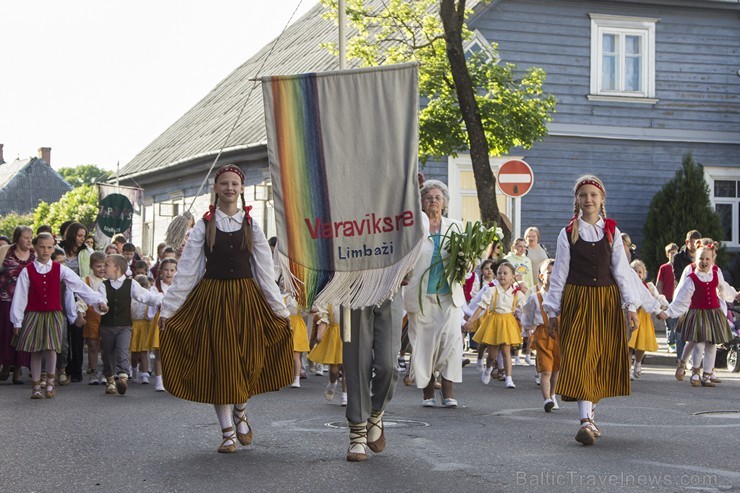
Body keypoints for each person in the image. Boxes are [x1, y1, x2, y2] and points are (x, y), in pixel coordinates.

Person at [158, 164, 293, 454]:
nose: (229, 188)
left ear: (242, 189)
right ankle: (227, 431)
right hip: (214, 299)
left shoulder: (251, 226)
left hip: (246, 299)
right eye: (224, 183)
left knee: (247, 359)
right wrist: (168, 310)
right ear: (216, 189)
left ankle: (241, 411)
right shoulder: (203, 228)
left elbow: (264, 272)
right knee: (221, 365)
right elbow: (188, 272)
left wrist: (279, 311)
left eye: (234, 183)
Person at [543, 175, 639, 446]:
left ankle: (591, 417)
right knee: (582, 356)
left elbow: (621, 270)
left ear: (602, 200)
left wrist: (630, 306)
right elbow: (559, 273)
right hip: (577, 299)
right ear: (576, 199)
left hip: (606, 300)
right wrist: (552, 310)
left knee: (598, 358)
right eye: (583, 195)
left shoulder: (612, 231)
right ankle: (585, 420)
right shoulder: (568, 232)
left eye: (593, 195)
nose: (588, 199)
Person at [10, 233, 106, 399]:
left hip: (54, 314)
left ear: (53, 248)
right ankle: (36, 386)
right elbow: (20, 296)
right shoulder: (28, 271)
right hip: (34, 314)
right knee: (36, 350)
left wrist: (98, 300)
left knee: (52, 348)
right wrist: (17, 320)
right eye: (41, 247)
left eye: (49, 247)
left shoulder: (60, 269)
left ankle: (50, 384)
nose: (45, 250)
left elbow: (79, 285)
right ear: (35, 248)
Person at [403, 180, 464, 408]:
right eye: (429, 198)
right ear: (422, 202)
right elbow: (404, 256)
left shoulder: (456, 227)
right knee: (423, 344)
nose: (433, 201)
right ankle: (428, 393)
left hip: (449, 295)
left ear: (445, 202)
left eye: (438, 197)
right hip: (421, 295)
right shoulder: (414, 228)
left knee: (451, 341)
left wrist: (465, 263)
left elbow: (468, 257)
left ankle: (448, 391)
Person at [658, 243, 739, 387]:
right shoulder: (692, 278)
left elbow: (724, 288)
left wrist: (734, 295)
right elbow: (681, 299)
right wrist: (668, 312)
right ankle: (695, 371)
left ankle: (707, 374)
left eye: (707, 259)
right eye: (701, 259)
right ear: (695, 260)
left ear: (712, 260)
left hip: (713, 314)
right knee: (699, 343)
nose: (704, 262)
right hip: (698, 314)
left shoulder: (715, 274)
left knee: (712, 344)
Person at [97, 254, 162, 395]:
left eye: (106, 265)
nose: (103, 268)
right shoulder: (103, 284)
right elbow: (101, 298)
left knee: (122, 350)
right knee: (107, 353)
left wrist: (160, 300)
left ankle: (122, 376)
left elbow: (144, 296)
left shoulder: (130, 284)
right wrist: (102, 304)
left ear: (117, 268)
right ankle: (109, 379)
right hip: (107, 325)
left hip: (124, 326)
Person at [465, 261, 525, 389]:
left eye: (505, 273)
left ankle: (509, 378)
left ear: (512, 277)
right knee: (492, 354)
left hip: (508, 322)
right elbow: (481, 306)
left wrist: (527, 324)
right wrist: (471, 320)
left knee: (506, 350)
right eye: (499, 273)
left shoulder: (516, 293)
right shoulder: (492, 290)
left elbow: (523, 309)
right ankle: (488, 369)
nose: (502, 275)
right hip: (494, 320)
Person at [521, 259, 560, 412]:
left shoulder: (562, 296)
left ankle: (553, 394)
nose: (552, 276)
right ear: (541, 277)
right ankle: (546, 399)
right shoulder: (535, 297)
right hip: (543, 335)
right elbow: (527, 314)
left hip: (559, 334)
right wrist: (527, 330)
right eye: (549, 272)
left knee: (556, 369)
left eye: (555, 273)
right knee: (546, 370)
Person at [0, 226, 35, 384]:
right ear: (17, 238)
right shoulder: (5, 251)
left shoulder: (35, 254)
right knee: (6, 333)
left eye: (30, 237)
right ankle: (6, 365)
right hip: (6, 298)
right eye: (25, 237)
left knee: (22, 334)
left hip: (27, 302)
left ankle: (18, 370)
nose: (29, 240)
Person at [628, 260, 667, 380]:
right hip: (632, 317)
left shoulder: (649, 287)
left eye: (640, 272)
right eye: (635, 271)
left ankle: (638, 363)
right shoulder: (628, 285)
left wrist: (663, 306)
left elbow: (656, 298)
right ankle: (627, 369)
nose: (638, 274)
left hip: (644, 318)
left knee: (641, 345)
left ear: (644, 274)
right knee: (629, 345)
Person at [147, 258, 177, 392]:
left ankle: (174, 380)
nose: (169, 273)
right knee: (159, 352)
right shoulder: (156, 286)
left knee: (176, 351)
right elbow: (155, 299)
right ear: (161, 271)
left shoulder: (179, 286)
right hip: (160, 319)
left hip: (176, 319)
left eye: (172, 270)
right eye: (166, 270)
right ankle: (159, 380)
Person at [672, 230, 701, 361]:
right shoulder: (679, 257)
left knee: (696, 332)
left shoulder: (702, 256)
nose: (694, 245)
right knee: (680, 330)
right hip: (683, 295)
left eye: (697, 243)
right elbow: (678, 276)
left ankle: (693, 361)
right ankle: (680, 359)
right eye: (692, 242)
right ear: (687, 242)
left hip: (698, 298)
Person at [308, 304, 345, 404]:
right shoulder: (331, 299)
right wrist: (320, 334)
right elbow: (324, 318)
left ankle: (345, 395)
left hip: (349, 333)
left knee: (347, 368)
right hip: (335, 335)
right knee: (334, 370)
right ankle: (332, 383)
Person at [79, 251, 106, 385]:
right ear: (91, 266)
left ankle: (107, 372)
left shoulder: (108, 281)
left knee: (106, 345)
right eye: (98, 266)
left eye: (103, 266)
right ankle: (94, 371)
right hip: (91, 316)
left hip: (106, 316)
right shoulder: (86, 280)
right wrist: (80, 313)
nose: (101, 269)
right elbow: (81, 299)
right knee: (93, 345)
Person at [655, 243, 679, 353]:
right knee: (669, 322)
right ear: (667, 255)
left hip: (678, 299)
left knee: (677, 323)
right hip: (667, 298)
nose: (674, 255)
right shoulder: (664, 268)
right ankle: (671, 343)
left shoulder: (680, 267)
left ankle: (678, 343)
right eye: (672, 253)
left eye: (676, 253)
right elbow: (659, 283)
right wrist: (660, 298)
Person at [129, 275, 152, 384]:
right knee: (134, 353)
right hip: (134, 325)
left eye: (144, 285)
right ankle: (134, 371)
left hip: (144, 325)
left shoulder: (149, 298)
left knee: (144, 352)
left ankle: (145, 374)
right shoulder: (131, 298)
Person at [284, 292, 309, 388]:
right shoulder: (283, 297)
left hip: (297, 326)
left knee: (296, 354)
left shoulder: (301, 297)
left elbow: (306, 311)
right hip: (286, 325)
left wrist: (310, 309)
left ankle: (297, 378)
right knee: (285, 353)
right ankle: (286, 376)